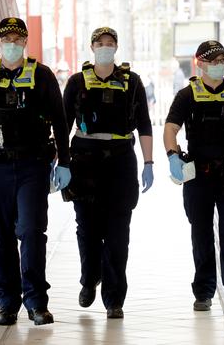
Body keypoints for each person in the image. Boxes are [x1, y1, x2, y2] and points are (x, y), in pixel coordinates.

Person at [0, 17, 71, 326]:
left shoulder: (42, 75)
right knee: (1, 237)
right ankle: (7, 302)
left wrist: (66, 162)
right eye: (6, 38)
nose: (11, 43)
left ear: (25, 41)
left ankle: (36, 303)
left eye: (17, 38)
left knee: (33, 233)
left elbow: (60, 121)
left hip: (33, 166)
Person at [163, 40, 224, 317]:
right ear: (201, 64)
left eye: (222, 60)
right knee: (202, 233)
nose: (219, 65)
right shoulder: (187, 95)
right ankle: (204, 291)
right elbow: (171, 127)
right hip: (199, 176)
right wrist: (172, 154)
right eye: (213, 61)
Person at [62, 27, 153, 319]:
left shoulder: (132, 81)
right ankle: (89, 279)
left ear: (116, 47)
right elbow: (62, 125)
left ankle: (114, 299)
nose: (105, 47)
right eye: (100, 43)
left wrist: (149, 163)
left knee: (117, 234)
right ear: (91, 48)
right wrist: (60, 162)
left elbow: (145, 125)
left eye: (110, 43)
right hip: (84, 161)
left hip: (121, 161)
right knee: (87, 231)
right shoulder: (77, 82)